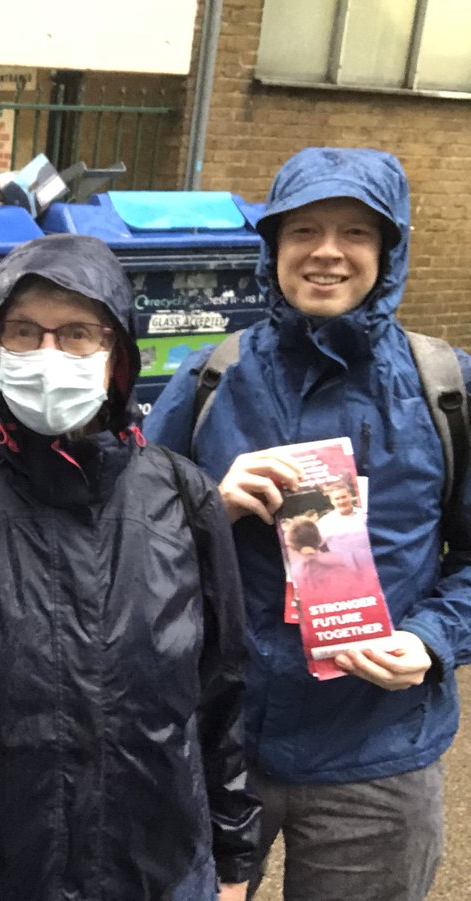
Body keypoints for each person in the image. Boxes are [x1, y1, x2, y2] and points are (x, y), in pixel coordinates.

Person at [0, 234, 259, 900]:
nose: (47, 354)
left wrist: (232, 860)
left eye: (76, 334)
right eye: (24, 331)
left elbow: (222, 696)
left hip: (158, 878)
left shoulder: (184, 499)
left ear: (116, 355)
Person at [144, 147, 471, 900]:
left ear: (389, 252)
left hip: (378, 752)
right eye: (304, 231)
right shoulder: (211, 380)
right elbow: (123, 546)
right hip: (215, 743)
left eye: (355, 232)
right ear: (273, 250)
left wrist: (432, 639)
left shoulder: (446, 389)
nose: (327, 251)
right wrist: (208, 505)